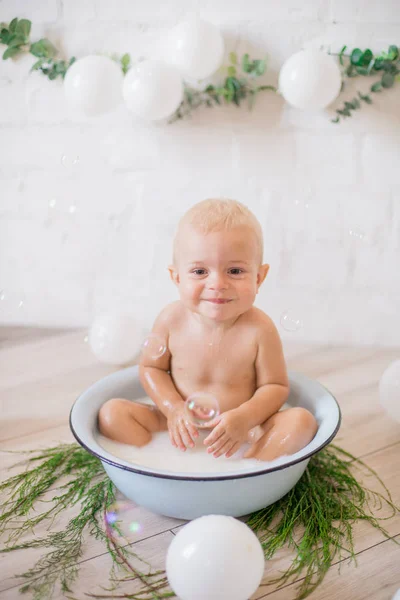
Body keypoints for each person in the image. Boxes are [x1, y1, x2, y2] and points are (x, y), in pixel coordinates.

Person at [98, 199, 318, 461]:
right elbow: (152, 369)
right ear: (176, 277)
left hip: (244, 430)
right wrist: (173, 408)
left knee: (301, 422)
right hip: (176, 423)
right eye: (200, 271)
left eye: (235, 270)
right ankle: (153, 462)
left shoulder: (259, 329)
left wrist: (244, 418)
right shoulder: (171, 320)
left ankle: (248, 468)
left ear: (259, 277)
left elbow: (276, 386)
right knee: (111, 414)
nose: (217, 283)